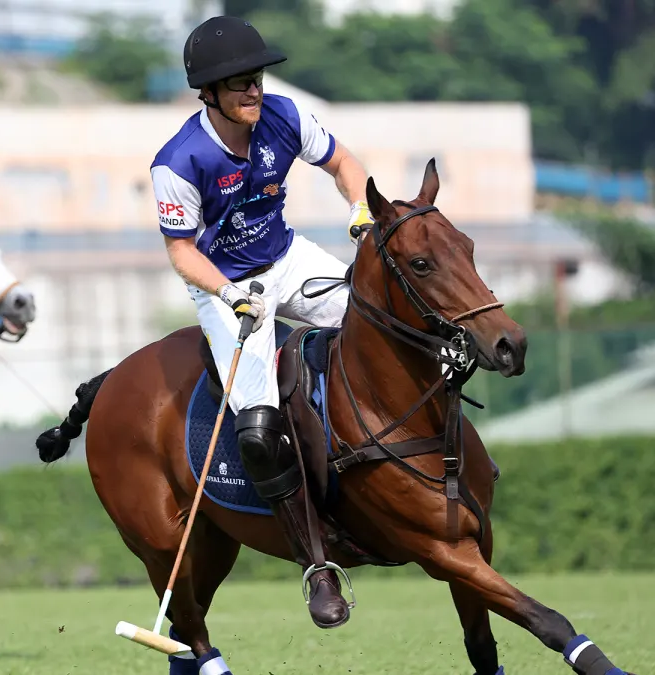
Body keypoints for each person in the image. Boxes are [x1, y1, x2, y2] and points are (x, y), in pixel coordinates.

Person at [150, 16, 374, 629]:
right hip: (225, 285)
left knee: (373, 322)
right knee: (257, 426)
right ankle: (315, 567)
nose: (255, 92)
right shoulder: (178, 160)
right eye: (241, 84)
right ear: (211, 94)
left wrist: (359, 212)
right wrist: (229, 294)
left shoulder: (284, 115)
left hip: (287, 257)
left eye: (257, 79)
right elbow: (181, 253)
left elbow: (344, 162)